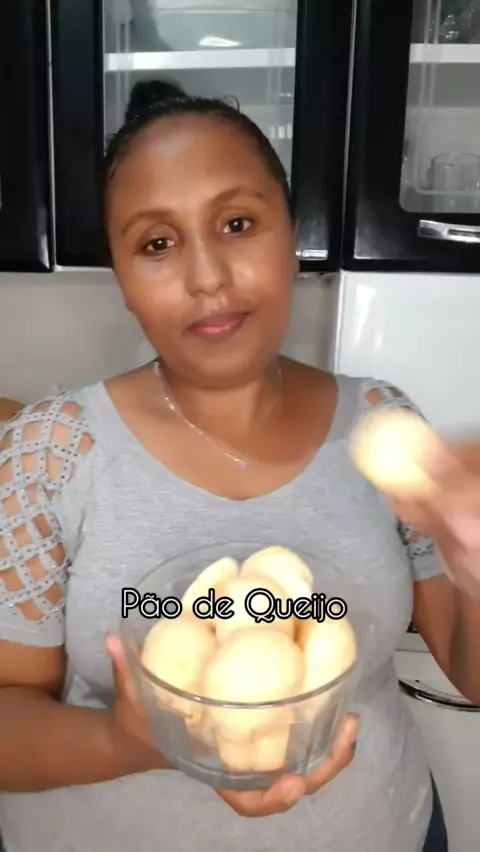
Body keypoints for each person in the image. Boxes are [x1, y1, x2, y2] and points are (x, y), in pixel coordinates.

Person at [1, 79, 480, 852]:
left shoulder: (382, 425)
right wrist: (131, 741)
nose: (207, 278)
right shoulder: (50, 452)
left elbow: (468, 666)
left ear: (291, 236)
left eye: (236, 223)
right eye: (157, 243)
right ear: (123, 279)